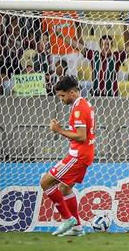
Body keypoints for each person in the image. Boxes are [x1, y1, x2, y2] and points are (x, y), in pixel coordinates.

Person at [39, 76, 95, 237]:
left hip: (78, 156)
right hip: (80, 154)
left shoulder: (79, 109)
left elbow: (81, 136)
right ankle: (77, 228)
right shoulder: (84, 104)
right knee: (65, 188)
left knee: (45, 182)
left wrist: (59, 130)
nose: (61, 99)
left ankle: (67, 218)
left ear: (72, 92)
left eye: (62, 96)